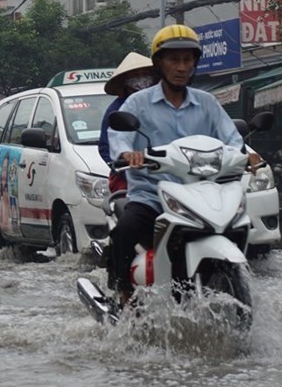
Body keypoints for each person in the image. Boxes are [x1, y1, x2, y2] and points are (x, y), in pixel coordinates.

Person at [108, 24, 262, 308]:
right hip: (152, 195)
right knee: (126, 228)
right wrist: (129, 154)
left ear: (194, 64)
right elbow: (119, 138)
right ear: (159, 64)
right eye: (174, 60)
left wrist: (249, 155)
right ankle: (123, 291)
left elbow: (231, 139)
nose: (181, 67)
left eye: (187, 60)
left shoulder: (208, 103)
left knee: (240, 224)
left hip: (203, 194)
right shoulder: (137, 103)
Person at [99, 52, 158, 193]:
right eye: (135, 75)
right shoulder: (117, 109)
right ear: (126, 81)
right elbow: (106, 146)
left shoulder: (161, 103)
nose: (141, 79)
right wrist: (124, 160)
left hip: (164, 172)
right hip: (129, 177)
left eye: (145, 74)